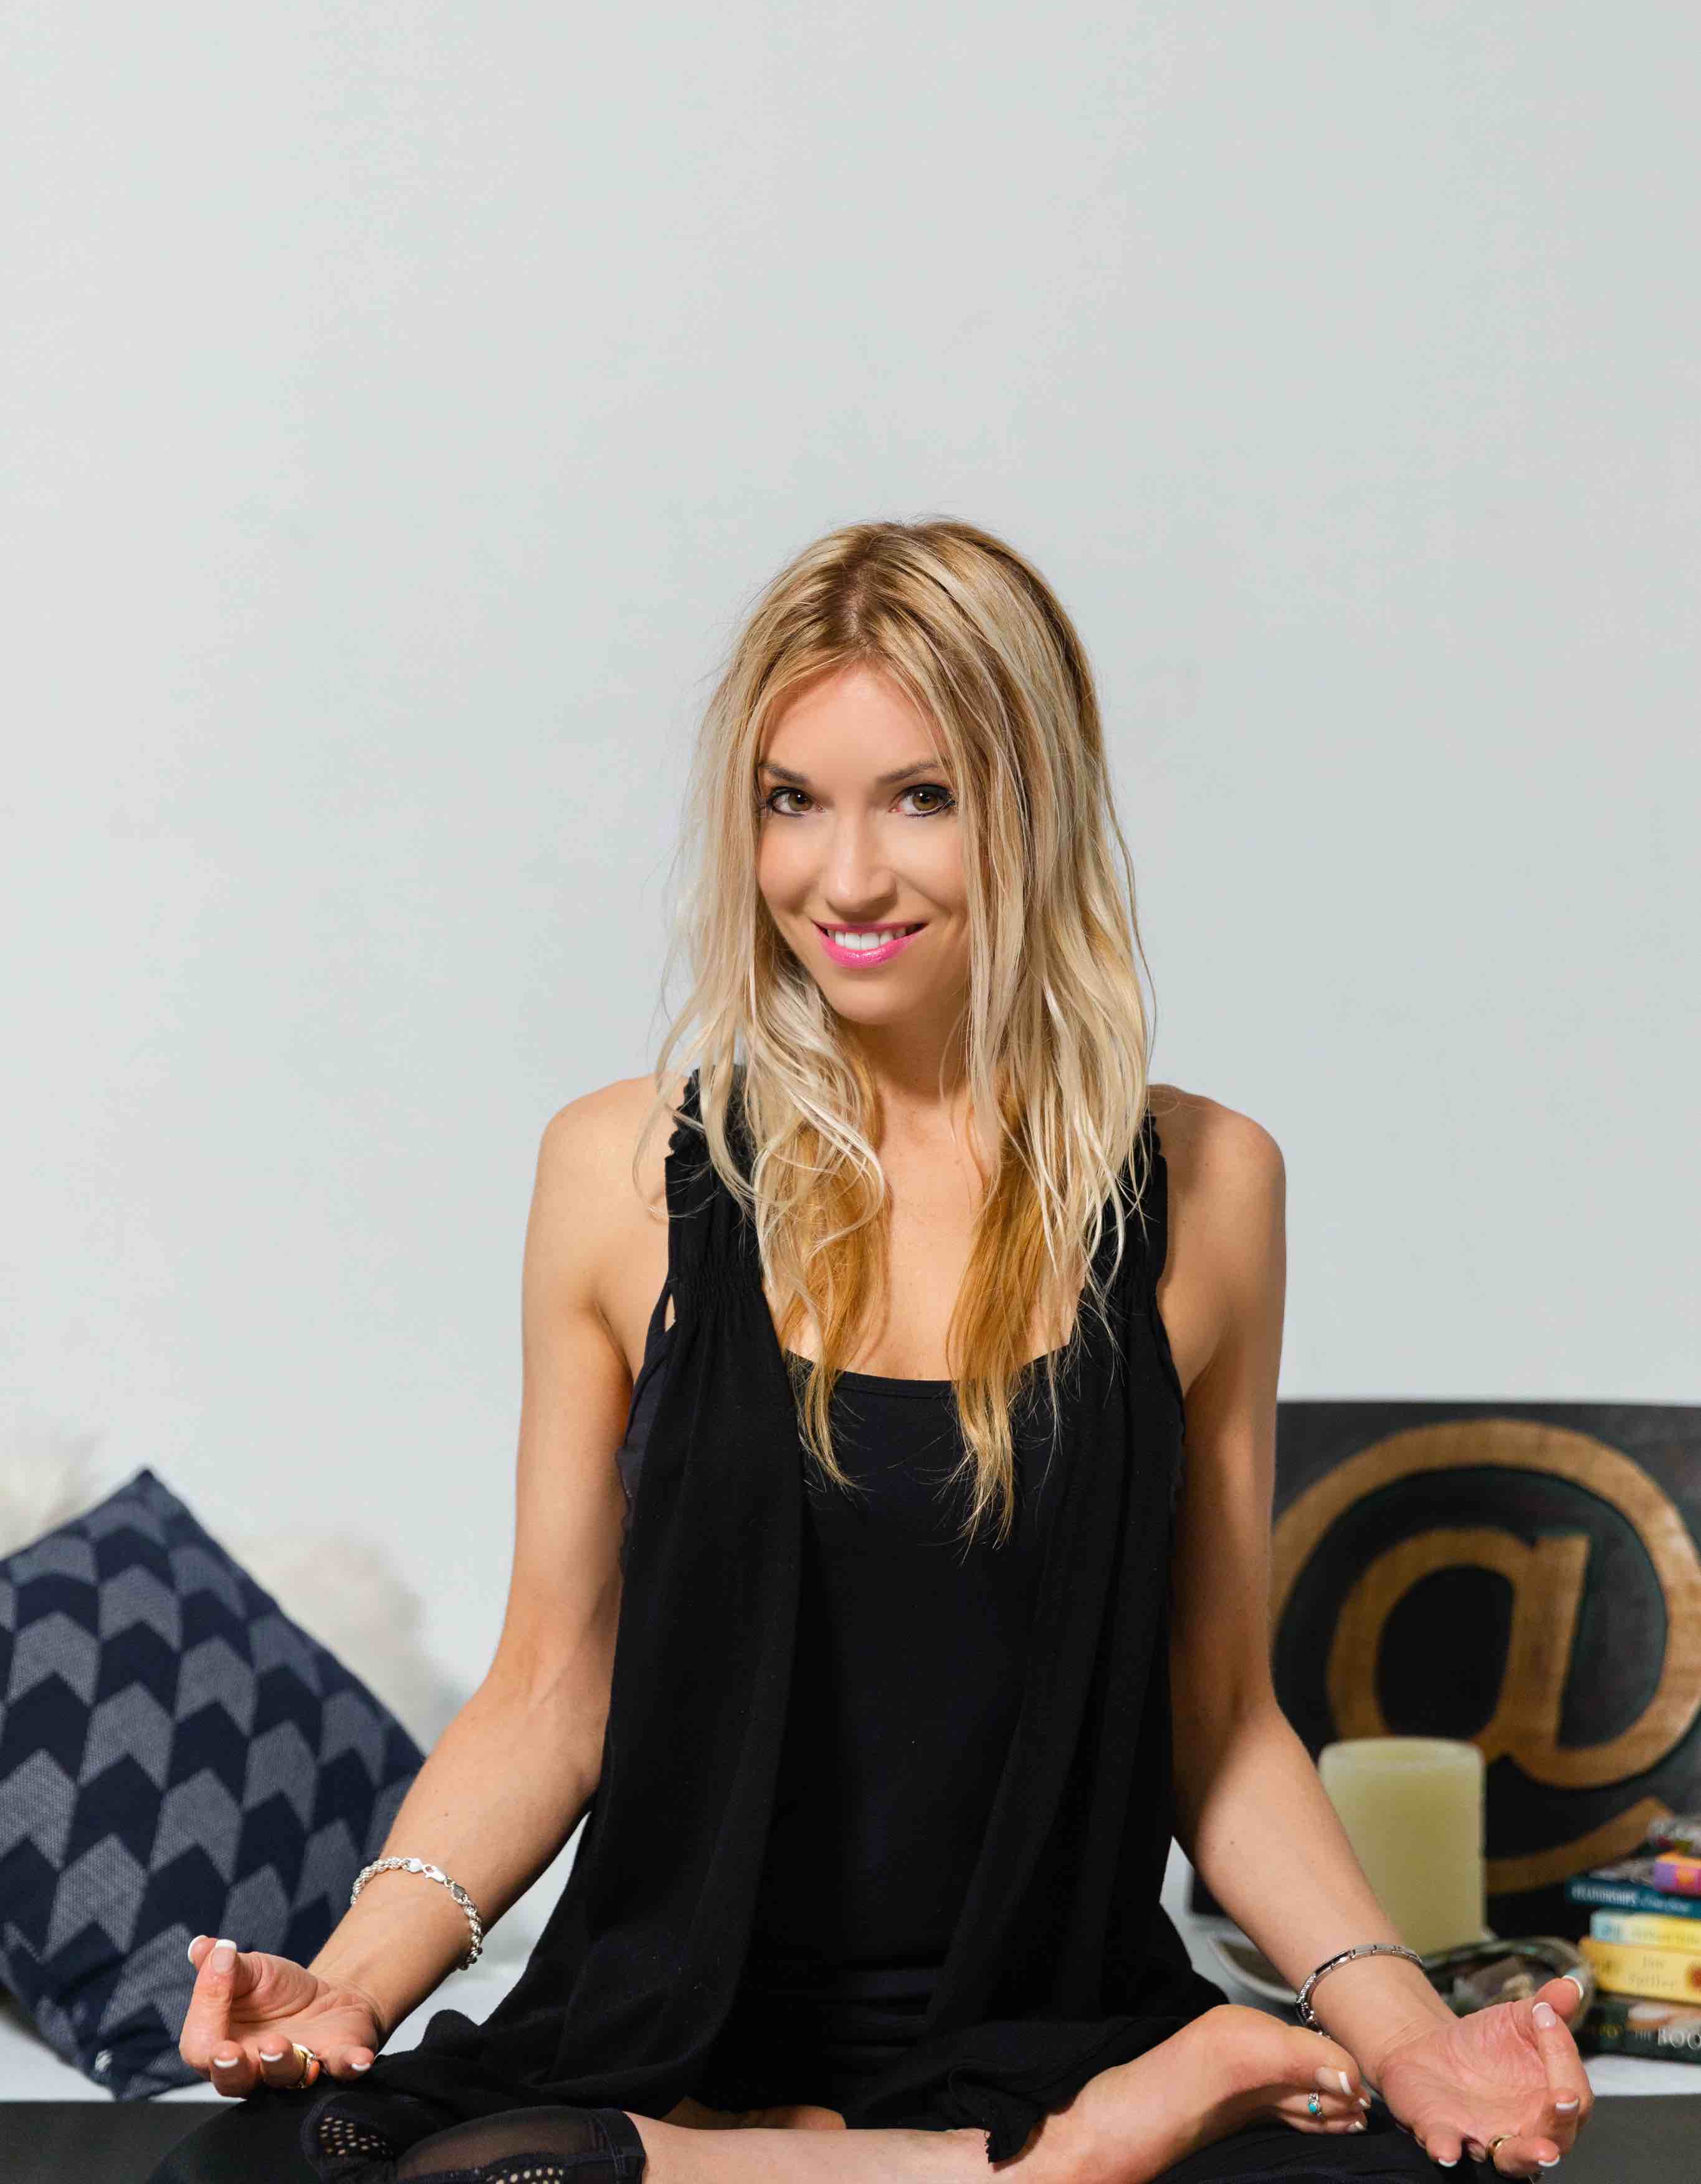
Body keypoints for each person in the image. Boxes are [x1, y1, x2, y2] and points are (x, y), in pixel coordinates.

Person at [145, 521, 1595, 2184]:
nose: (842, 879)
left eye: (921, 797)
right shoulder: (620, 1172)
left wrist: (1409, 2039)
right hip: (674, 2034)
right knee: (276, 2169)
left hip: (1051, 2021)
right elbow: (552, 1688)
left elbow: (1218, 1720)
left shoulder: (1209, 1188)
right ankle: (1043, 2173)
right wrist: (349, 1985)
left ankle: (987, 2144)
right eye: (791, 801)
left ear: (1037, 806)